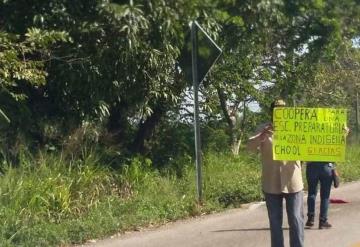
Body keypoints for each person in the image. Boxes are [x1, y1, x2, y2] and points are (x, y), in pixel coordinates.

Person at [247, 99, 304, 247]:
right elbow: (250, 147)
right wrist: (261, 136)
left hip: (293, 182)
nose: (280, 112)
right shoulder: (263, 129)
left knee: (296, 219)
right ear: (271, 112)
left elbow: (317, 146)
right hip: (271, 183)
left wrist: (339, 136)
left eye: (283, 110)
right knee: (275, 222)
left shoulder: (297, 128)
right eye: (276, 110)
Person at [306, 127, 349, 229]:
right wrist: (345, 133)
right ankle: (323, 221)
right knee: (325, 196)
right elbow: (339, 143)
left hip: (312, 166)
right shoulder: (329, 136)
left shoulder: (309, 135)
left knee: (312, 193)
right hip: (326, 167)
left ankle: (311, 218)